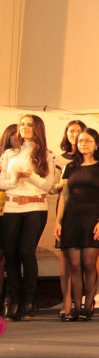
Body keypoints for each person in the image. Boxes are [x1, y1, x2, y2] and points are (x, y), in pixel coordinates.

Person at [0, 115, 55, 321]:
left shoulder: (46, 154)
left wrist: (31, 175)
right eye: (22, 124)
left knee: (26, 252)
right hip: (12, 206)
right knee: (11, 254)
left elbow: (48, 186)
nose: (25, 127)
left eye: (30, 125)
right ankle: (15, 302)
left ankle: (29, 302)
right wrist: (14, 178)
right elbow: (2, 183)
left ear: (37, 128)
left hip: (35, 207)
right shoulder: (9, 154)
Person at [55, 128, 99, 321]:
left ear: (96, 144)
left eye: (87, 141)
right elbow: (64, 196)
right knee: (75, 265)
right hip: (72, 218)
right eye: (80, 141)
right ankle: (76, 308)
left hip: (93, 217)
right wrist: (58, 221)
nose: (83, 144)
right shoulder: (70, 167)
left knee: (88, 263)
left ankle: (88, 306)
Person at [54, 120, 86, 319]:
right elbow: (53, 186)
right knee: (65, 257)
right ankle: (66, 300)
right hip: (65, 208)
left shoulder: (93, 158)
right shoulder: (59, 159)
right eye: (71, 131)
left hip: (86, 210)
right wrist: (60, 184)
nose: (74, 135)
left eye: (78, 131)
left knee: (84, 260)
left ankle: (81, 300)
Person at [0, 124, 18, 318]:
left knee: (12, 256)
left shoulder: (24, 158)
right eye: (13, 134)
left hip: (13, 211)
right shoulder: (3, 157)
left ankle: (12, 298)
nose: (16, 137)